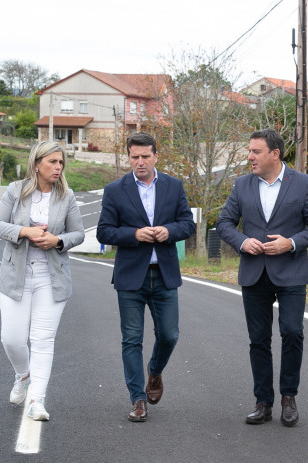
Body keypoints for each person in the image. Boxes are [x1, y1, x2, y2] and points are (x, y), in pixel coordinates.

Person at [216, 128, 308, 427]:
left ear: (274, 154)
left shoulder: (304, 184)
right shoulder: (241, 185)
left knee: (292, 332)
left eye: (255, 151)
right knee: (258, 340)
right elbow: (224, 222)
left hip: (290, 271)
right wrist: (241, 241)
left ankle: (288, 397)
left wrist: (290, 242)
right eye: (249, 151)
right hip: (254, 273)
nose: (249, 156)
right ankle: (262, 401)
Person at [96, 132, 195, 422]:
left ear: (155, 156)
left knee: (169, 335)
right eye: (134, 157)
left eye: (145, 156)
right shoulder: (115, 190)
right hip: (130, 277)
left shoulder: (174, 187)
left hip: (163, 275)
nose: (140, 162)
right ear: (129, 157)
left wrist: (170, 232)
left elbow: (187, 224)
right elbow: (104, 231)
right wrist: (134, 234)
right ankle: (138, 399)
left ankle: (155, 371)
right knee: (131, 339)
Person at [0, 140, 84, 421]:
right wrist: (25, 231)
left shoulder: (66, 196)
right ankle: (23, 375)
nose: (58, 167)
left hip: (51, 277)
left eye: (61, 163)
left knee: (43, 340)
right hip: (15, 275)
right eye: (53, 162)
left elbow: (77, 233)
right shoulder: (15, 191)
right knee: (12, 338)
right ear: (37, 163)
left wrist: (57, 240)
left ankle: (37, 401)